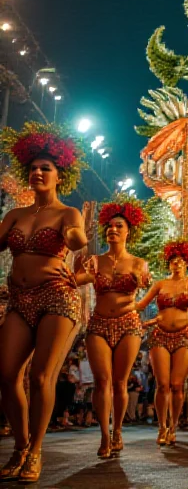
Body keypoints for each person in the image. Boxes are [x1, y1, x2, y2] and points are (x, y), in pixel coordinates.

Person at [0, 122, 88, 483]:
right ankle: (20, 446)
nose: (38, 172)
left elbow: (77, 238)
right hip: (19, 300)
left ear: (58, 176)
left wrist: (74, 235)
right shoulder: (14, 216)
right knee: (6, 375)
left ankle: (35, 451)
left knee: (41, 376)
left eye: (46, 168)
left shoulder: (69, 213)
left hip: (57, 299)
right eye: (34, 168)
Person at [75, 196, 150, 457]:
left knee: (119, 382)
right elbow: (77, 280)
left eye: (119, 226)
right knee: (101, 381)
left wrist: (143, 278)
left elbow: (144, 281)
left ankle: (117, 429)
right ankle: (105, 436)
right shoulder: (96, 261)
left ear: (129, 231)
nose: (113, 230)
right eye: (109, 227)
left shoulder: (139, 263)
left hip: (128, 324)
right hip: (99, 324)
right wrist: (81, 265)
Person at [136, 239, 188, 447]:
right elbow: (140, 304)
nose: (177, 264)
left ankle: (173, 426)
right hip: (160, 336)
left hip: (183, 335)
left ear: (187, 264)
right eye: (173, 260)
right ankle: (162, 426)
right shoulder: (160, 284)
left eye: (181, 261)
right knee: (162, 384)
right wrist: (134, 286)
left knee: (176, 385)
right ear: (169, 263)